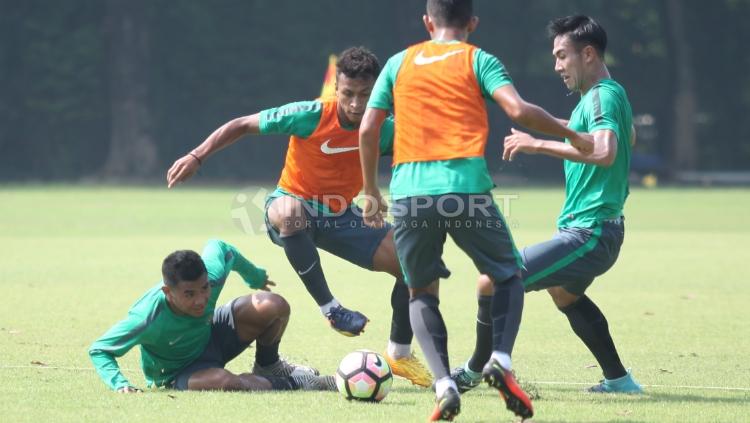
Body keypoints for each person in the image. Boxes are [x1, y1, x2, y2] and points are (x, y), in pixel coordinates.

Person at [359, 0, 595, 420]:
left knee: (420, 292)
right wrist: (571, 133)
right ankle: (500, 361)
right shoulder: (478, 59)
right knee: (507, 274)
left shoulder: (399, 62)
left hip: (411, 193)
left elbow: (368, 128)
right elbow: (519, 111)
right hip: (465, 189)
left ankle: (444, 384)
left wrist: (370, 191)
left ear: (428, 22)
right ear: (472, 23)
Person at [165, 47, 432, 387]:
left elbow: (425, 154)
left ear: (379, 92)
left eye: (365, 95)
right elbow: (242, 124)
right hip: (293, 206)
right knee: (288, 212)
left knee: (414, 263)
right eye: (348, 94)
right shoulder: (309, 115)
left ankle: (399, 351)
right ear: (336, 89)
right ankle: (331, 308)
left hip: (341, 215)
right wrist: (197, 155)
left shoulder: (385, 127)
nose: (355, 104)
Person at [478, 15, 639, 394]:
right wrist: (550, 129)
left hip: (591, 232)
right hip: (595, 228)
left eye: (562, 56)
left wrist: (538, 145)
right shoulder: (605, 97)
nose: (556, 66)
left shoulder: (602, 95)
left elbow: (605, 151)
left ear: (587, 54)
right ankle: (620, 380)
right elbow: (621, 134)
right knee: (564, 292)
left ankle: (475, 370)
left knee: (496, 278)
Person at [89, 239, 333, 392]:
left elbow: (223, 248)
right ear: (168, 292)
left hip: (213, 334)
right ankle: (300, 383)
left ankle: (268, 366)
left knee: (274, 305)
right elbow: (100, 350)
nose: (201, 300)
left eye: (204, 288)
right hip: (179, 371)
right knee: (225, 382)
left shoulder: (211, 278)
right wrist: (120, 385)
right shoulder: (146, 317)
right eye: (189, 294)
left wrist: (254, 276)